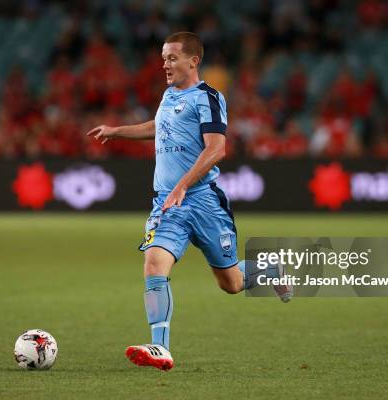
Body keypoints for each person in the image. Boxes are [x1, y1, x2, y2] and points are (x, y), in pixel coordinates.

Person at [87, 32, 291, 371]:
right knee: (154, 264)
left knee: (231, 284)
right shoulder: (168, 96)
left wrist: (182, 185)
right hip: (168, 205)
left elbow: (217, 149)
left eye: (172, 57)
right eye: (163, 57)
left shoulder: (208, 97)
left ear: (193, 61)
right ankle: (161, 347)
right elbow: (160, 126)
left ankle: (270, 271)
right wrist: (117, 130)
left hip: (203, 202)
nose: (164, 63)